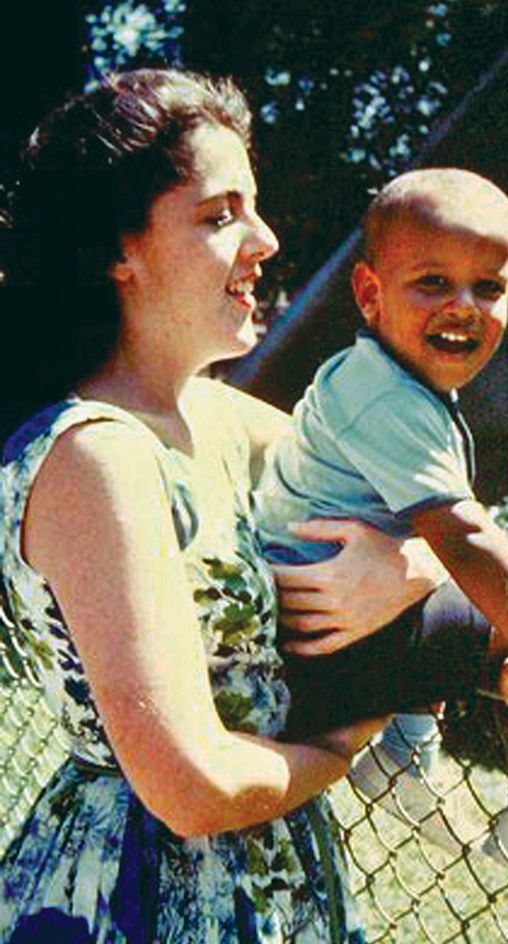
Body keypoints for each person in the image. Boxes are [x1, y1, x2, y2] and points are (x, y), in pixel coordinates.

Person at [0, 69, 448, 943]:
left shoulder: (212, 415)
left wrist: (412, 564)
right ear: (117, 250)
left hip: (276, 879)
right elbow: (191, 787)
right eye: (219, 216)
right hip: (141, 896)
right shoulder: (97, 455)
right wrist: (342, 745)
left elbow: (435, 504)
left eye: (254, 207)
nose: (266, 239)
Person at [254, 168, 508, 893]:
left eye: (487, 287)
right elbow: (465, 537)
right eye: (432, 283)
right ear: (368, 294)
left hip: (314, 630)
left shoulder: (377, 378)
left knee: (451, 584)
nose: (463, 306)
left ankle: (408, 750)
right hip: (321, 643)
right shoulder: (389, 398)